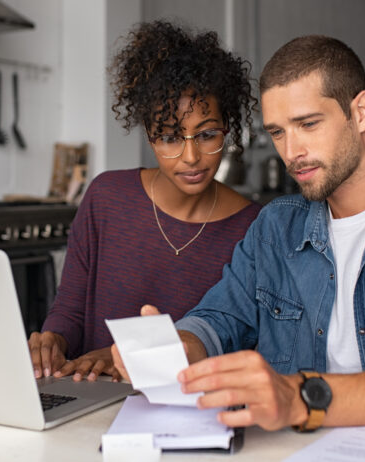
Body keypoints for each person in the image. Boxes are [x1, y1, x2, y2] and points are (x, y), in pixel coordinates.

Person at [114, 35, 365, 431]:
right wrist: (180, 347)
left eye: (307, 124)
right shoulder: (275, 227)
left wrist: (303, 398)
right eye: (278, 132)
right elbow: (219, 318)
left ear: (361, 112)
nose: (291, 151)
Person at [28, 20, 261, 382]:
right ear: (149, 137)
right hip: (89, 399)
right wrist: (52, 341)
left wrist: (126, 357)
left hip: (187, 412)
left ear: (227, 130)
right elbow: (71, 310)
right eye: (169, 138)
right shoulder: (106, 198)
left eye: (207, 134)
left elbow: (238, 342)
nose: (190, 157)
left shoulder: (253, 227)